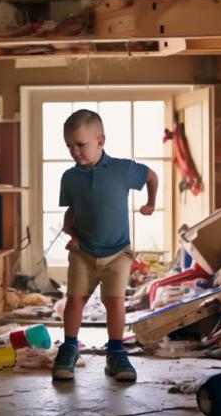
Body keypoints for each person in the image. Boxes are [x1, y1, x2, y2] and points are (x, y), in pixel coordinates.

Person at [52, 109, 158, 382]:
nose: (75, 151)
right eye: (69, 146)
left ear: (100, 140)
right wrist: (70, 230)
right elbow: (71, 211)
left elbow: (151, 177)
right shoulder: (70, 177)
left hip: (117, 253)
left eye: (80, 144)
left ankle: (116, 352)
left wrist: (150, 203)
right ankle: (70, 348)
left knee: (115, 302)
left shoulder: (122, 169)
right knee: (74, 301)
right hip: (84, 252)